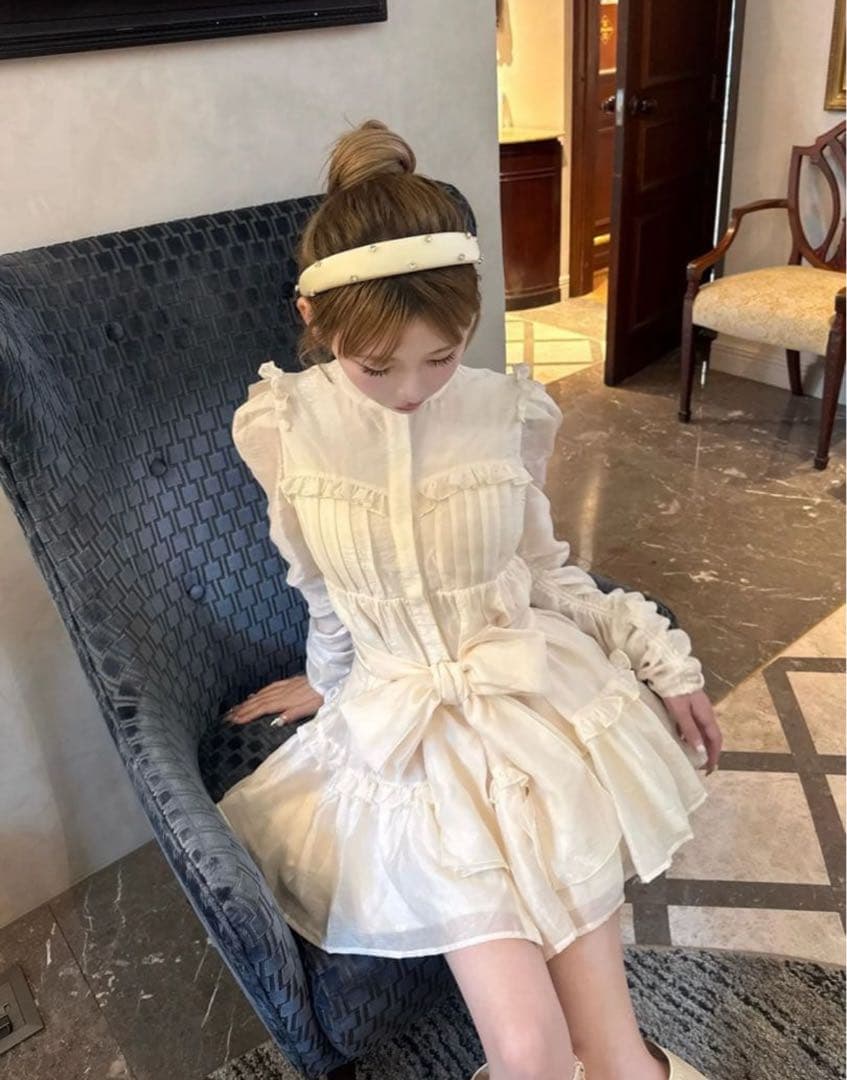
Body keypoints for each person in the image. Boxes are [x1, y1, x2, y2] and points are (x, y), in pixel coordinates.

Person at [217, 118, 722, 1080]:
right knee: (527, 1051)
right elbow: (321, 593)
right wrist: (328, 681)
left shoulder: (508, 411)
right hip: (407, 739)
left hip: (533, 703)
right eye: (376, 366)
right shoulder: (280, 426)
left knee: (614, 1051)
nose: (411, 390)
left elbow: (546, 574)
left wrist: (662, 658)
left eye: (442, 356)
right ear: (313, 318)